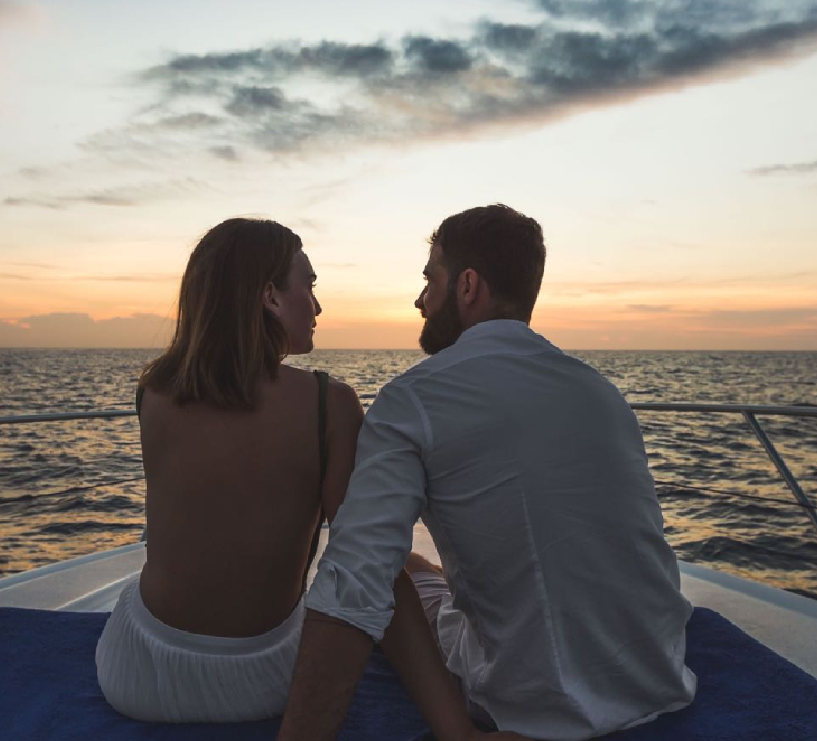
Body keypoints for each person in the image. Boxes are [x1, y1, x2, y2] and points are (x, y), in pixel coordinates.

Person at [278, 205, 697, 741]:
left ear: (468, 285)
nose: (420, 299)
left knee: (394, 574)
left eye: (430, 279)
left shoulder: (413, 398)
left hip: (539, 704)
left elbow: (356, 582)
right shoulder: (601, 392)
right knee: (418, 570)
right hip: (655, 677)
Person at [94, 217, 519, 741]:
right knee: (395, 566)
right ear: (270, 296)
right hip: (261, 682)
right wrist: (455, 729)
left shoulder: (153, 392)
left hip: (137, 675)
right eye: (309, 286)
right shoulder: (327, 404)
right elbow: (372, 570)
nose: (317, 306)